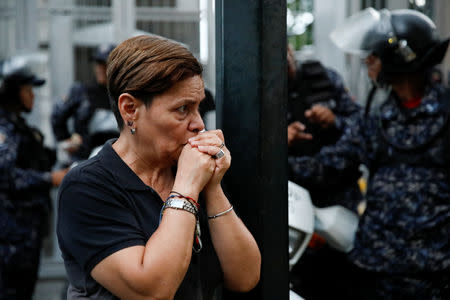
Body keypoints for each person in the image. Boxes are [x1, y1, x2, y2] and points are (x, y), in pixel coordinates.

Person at [56, 35, 261, 299]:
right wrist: (186, 190)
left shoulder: (188, 172)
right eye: (183, 109)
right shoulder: (87, 186)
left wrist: (212, 186)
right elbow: (152, 291)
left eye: (198, 108)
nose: (199, 124)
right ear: (130, 109)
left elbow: (245, 277)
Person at [291, 8, 450, 299]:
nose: (367, 61)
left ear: (400, 58)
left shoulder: (445, 114)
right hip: (378, 267)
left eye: (374, 54)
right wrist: (278, 163)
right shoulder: (377, 117)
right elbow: (333, 163)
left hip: (436, 269)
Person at [286, 46, 363, 299]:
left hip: (337, 197)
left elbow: (361, 127)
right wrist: (280, 140)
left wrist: (333, 120)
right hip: (291, 201)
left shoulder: (324, 79)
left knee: (342, 275)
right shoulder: (257, 86)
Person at [0, 57, 68, 299]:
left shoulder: (20, 128)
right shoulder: (3, 129)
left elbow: (36, 158)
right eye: (28, 90)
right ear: (12, 92)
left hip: (26, 233)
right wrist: (51, 179)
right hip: (10, 236)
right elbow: (6, 176)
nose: (33, 96)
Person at [51, 44, 118, 164]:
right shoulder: (81, 91)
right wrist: (67, 140)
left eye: (105, 63)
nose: (101, 68)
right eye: (98, 63)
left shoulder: (122, 95)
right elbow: (58, 117)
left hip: (117, 159)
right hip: (84, 159)